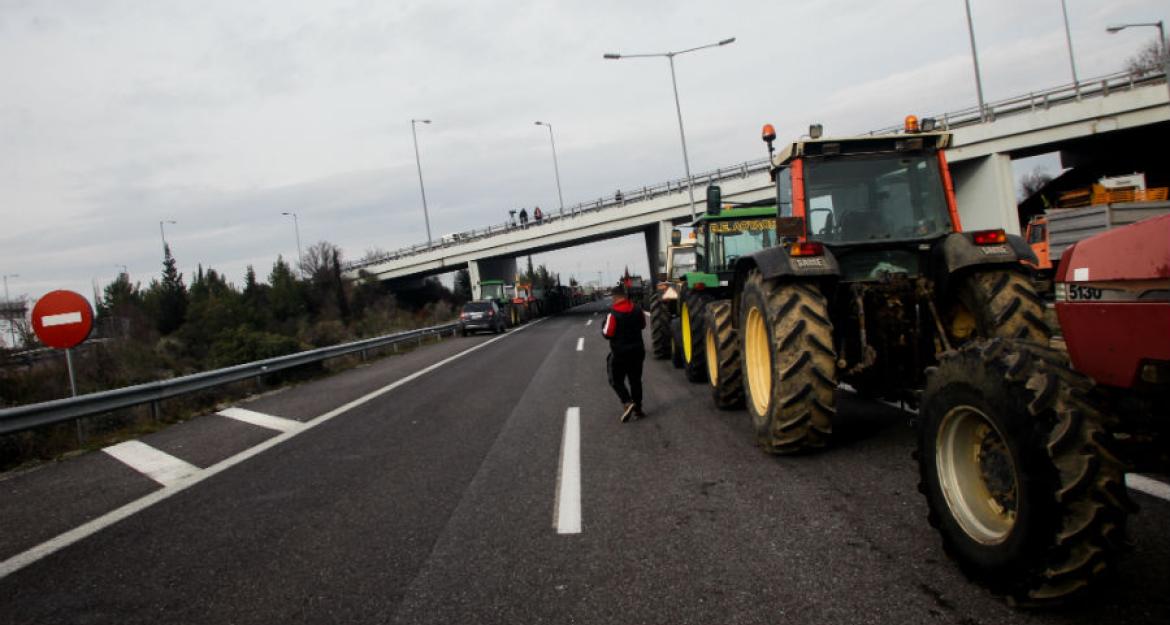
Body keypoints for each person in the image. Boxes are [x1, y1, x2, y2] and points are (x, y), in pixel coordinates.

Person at [601, 285, 646, 422]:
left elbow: (607, 333)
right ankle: (638, 409)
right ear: (625, 295)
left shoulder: (612, 314)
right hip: (638, 351)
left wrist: (603, 327)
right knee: (635, 380)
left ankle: (627, 401)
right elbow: (643, 325)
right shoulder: (638, 310)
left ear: (615, 297)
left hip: (620, 354)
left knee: (615, 379)